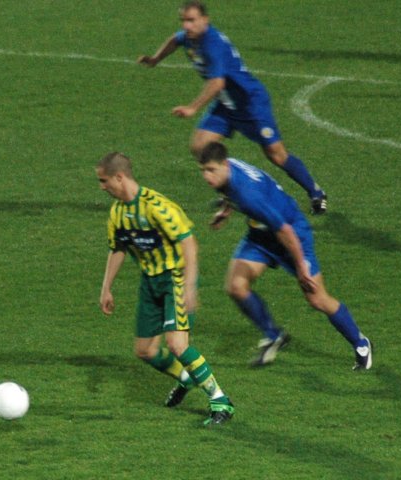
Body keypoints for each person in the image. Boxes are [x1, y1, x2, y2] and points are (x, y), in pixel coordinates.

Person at [138, 1, 328, 215]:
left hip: (250, 104)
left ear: (205, 20)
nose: (186, 25)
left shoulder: (212, 43)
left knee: (276, 155)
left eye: (191, 20)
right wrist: (156, 59)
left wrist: (193, 108)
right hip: (226, 104)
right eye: (183, 20)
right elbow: (175, 40)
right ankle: (229, 195)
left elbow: (217, 82)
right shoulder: (190, 37)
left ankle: (316, 192)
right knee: (200, 146)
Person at [197, 141, 372, 370]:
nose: (207, 177)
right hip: (261, 235)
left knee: (317, 298)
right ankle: (273, 335)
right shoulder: (228, 173)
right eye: (203, 171)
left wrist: (301, 267)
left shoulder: (248, 193)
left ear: (224, 165)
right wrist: (225, 210)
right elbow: (230, 193)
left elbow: (285, 231)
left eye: (211, 170)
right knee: (235, 285)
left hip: (292, 235)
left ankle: (360, 343)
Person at [96, 151, 235, 426]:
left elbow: (189, 244)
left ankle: (220, 401)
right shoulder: (118, 213)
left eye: (104, 180)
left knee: (177, 344)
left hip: (175, 278)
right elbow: (118, 248)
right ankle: (186, 378)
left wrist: (190, 286)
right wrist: (106, 288)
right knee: (145, 351)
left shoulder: (158, 207)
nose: (102, 187)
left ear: (119, 177)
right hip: (149, 282)